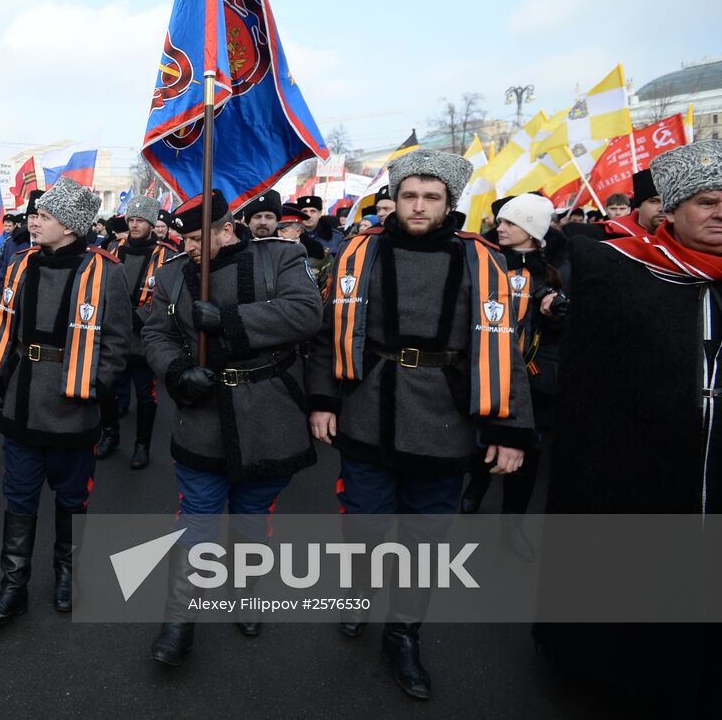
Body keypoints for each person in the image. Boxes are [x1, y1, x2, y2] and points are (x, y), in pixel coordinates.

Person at [305, 149, 533, 701]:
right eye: (409, 195)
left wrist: (509, 429)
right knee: (364, 527)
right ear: (395, 198)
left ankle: (403, 633)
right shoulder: (360, 251)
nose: (419, 206)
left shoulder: (482, 260)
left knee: (425, 542)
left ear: (449, 204)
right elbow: (329, 331)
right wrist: (323, 400)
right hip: (368, 409)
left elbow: (502, 347)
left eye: (431, 197)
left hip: (444, 418)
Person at [535, 141, 721, 715]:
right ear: (671, 210)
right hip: (637, 467)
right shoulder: (619, 270)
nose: (720, 215)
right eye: (708, 203)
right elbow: (589, 382)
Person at [144, 190, 323, 665]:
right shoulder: (172, 274)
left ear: (227, 229)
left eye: (198, 238)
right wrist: (177, 372)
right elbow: (156, 334)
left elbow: (306, 314)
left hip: (269, 412)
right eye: (185, 239)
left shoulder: (281, 257)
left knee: (251, 516)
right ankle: (179, 618)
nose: (190, 247)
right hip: (202, 413)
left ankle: (245, 592)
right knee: (197, 521)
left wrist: (228, 319)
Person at [0, 177, 132, 624]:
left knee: (72, 498)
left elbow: (118, 342)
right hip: (23, 399)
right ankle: (13, 586)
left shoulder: (107, 271)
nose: (33, 222)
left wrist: (93, 387)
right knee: (19, 496)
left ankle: (68, 575)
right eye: (35, 215)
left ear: (70, 226)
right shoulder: (19, 263)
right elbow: (2, 325)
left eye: (43, 216)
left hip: (73, 405)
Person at [458, 194, 566, 560]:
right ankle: (476, 488)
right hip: (486, 370)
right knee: (482, 440)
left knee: (527, 454)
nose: (499, 227)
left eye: (510, 223)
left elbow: (561, 332)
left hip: (530, 380)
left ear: (532, 231)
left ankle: (513, 523)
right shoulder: (485, 261)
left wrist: (553, 315)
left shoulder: (554, 271)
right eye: (500, 221)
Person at [102, 195, 175, 468]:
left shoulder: (166, 255)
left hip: (144, 338)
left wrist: (134, 317)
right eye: (131, 220)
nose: (134, 225)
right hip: (113, 336)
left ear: (151, 223)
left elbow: (167, 297)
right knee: (106, 387)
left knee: (146, 395)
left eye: (140, 220)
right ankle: (110, 434)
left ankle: (142, 444)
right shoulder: (113, 248)